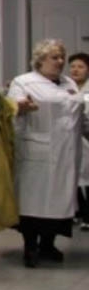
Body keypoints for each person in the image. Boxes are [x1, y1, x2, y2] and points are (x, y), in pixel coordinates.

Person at [8, 39, 84, 268]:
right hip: (37, 153)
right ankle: (31, 246)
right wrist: (21, 107)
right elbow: (11, 109)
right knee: (33, 203)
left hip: (66, 153)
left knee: (60, 203)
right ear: (40, 60)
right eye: (54, 57)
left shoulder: (69, 82)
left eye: (62, 57)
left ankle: (48, 245)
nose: (60, 61)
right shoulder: (23, 82)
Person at [72, 52, 89, 230]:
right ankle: (78, 212)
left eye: (80, 67)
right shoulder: (67, 87)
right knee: (73, 177)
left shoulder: (87, 91)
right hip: (71, 139)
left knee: (86, 177)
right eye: (73, 66)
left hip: (85, 137)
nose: (76, 70)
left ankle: (87, 215)